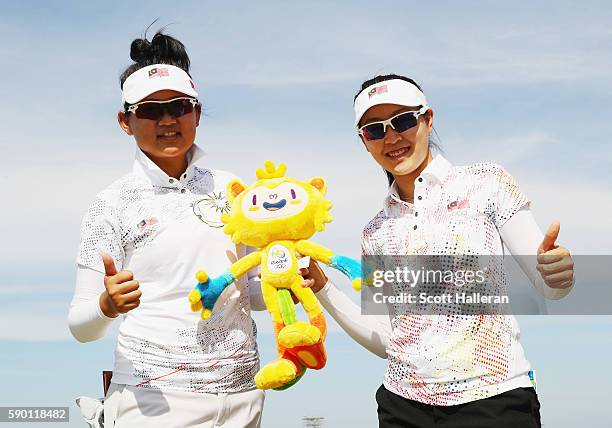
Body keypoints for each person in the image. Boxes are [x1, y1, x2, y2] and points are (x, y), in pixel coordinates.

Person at [305, 74, 575, 427]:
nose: (391, 137)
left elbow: (550, 286)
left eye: (402, 121)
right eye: (375, 129)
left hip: (493, 400)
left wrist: (559, 274)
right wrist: (324, 289)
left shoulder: (487, 183)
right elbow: (388, 336)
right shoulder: (374, 233)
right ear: (364, 140)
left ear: (427, 119)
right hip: (401, 407)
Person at [67, 29, 266, 427]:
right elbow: (80, 327)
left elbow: (251, 295)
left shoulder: (233, 189)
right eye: (149, 111)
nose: (167, 119)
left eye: (179, 106)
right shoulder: (112, 203)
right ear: (125, 121)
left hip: (243, 394)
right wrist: (107, 306)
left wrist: (288, 282)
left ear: (196, 111)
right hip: (152, 400)